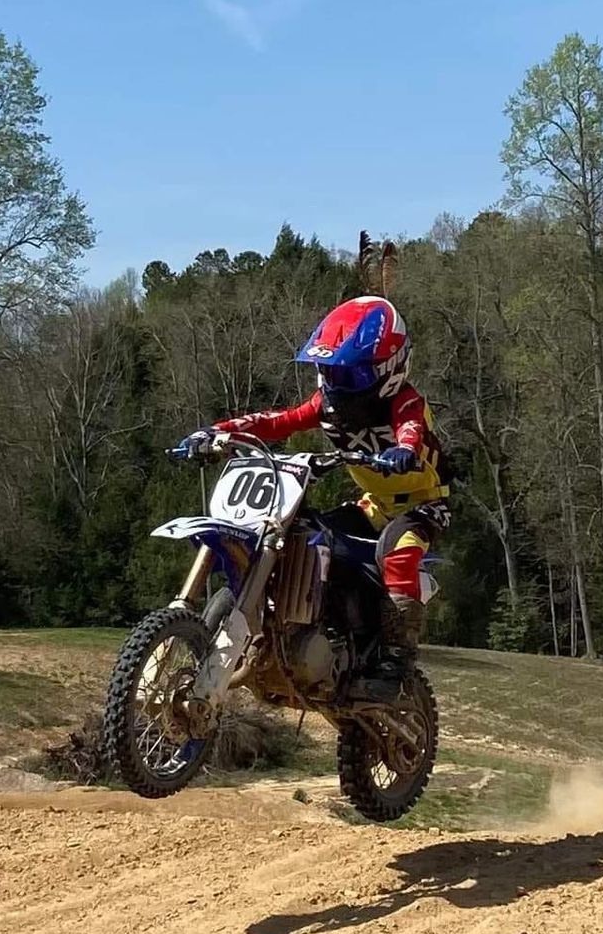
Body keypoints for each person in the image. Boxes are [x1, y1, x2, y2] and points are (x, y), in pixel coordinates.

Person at [177, 295, 449, 700]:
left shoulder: (405, 402)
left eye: (352, 376)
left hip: (423, 505)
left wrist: (403, 451)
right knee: (308, 536)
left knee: (397, 553)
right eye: (331, 372)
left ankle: (395, 662)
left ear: (389, 370)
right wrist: (218, 431)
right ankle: (319, 629)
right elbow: (278, 421)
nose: (339, 384)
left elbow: (410, 428)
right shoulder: (327, 404)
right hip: (373, 504)